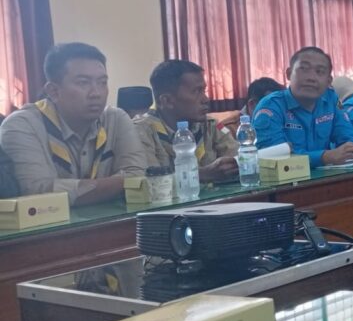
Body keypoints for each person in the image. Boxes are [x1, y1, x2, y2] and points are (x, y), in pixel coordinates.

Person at [0, 42, 147, 205]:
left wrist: (73, 191)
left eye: (102, 82)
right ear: (53, 91)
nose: (96, 93)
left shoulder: (115, 119)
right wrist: (121, 183)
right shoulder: (22, 125)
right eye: (83, 83)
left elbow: (139, 176)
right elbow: (36, 192)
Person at [252, 46, 353, 166]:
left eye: (319, 71)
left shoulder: (332, 99)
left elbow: (347, 136)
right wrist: (324, 157)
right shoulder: (270, 107)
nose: (311, 78)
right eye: (303, 69)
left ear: (328, 81)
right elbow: (273, 157)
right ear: (289, 74)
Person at [134, 60, 239, 183]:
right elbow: (149, 182)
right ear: (167, 101)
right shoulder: (140, 132)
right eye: (196, 91)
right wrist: (201, 175)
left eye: (204, 91)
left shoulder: (210, 125)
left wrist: (233, 166)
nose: (205, 99)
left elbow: (239, 158)